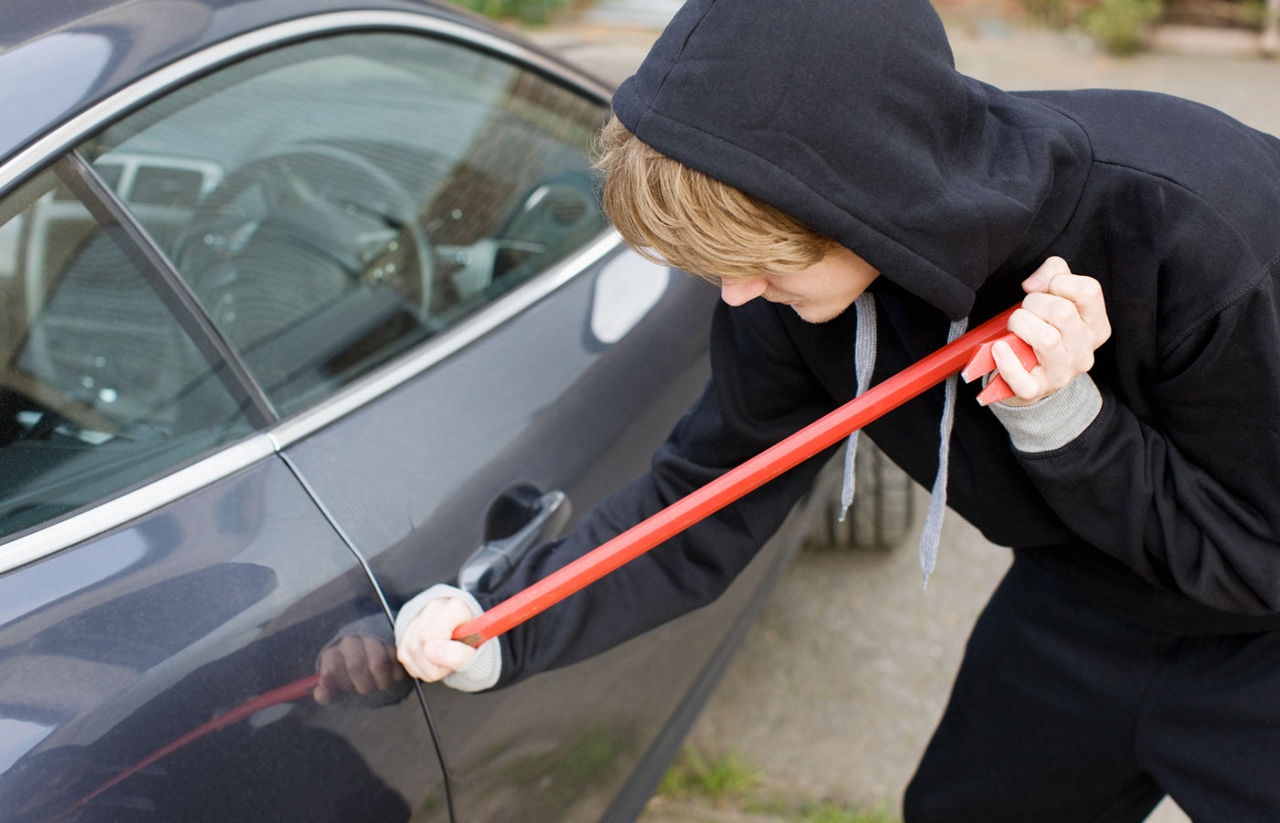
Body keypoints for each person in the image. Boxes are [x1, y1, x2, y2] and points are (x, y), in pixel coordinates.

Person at [396, 0, 1280, 819]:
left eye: (764, 261)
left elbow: (1256, 558)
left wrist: (1069, 427)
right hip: (1076, 600)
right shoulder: (789, 297)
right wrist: (505, 627)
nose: (738, 296)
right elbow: (707, 495)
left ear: (864, 193)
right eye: (716, 265)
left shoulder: (1197, 225)